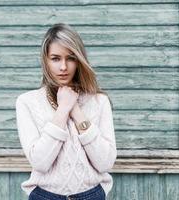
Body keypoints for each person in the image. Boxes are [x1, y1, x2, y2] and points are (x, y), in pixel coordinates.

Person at [15, 23, 117, 200]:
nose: (63, 67)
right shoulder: (27, 102)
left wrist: (76, 110)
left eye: (70, 58)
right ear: (45, 61)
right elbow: (40, 162)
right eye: (55, 58)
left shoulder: (99, 101)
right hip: (44, 196)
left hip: (91, 195)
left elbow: (105, 162)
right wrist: (63, 109)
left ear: (79, 60)